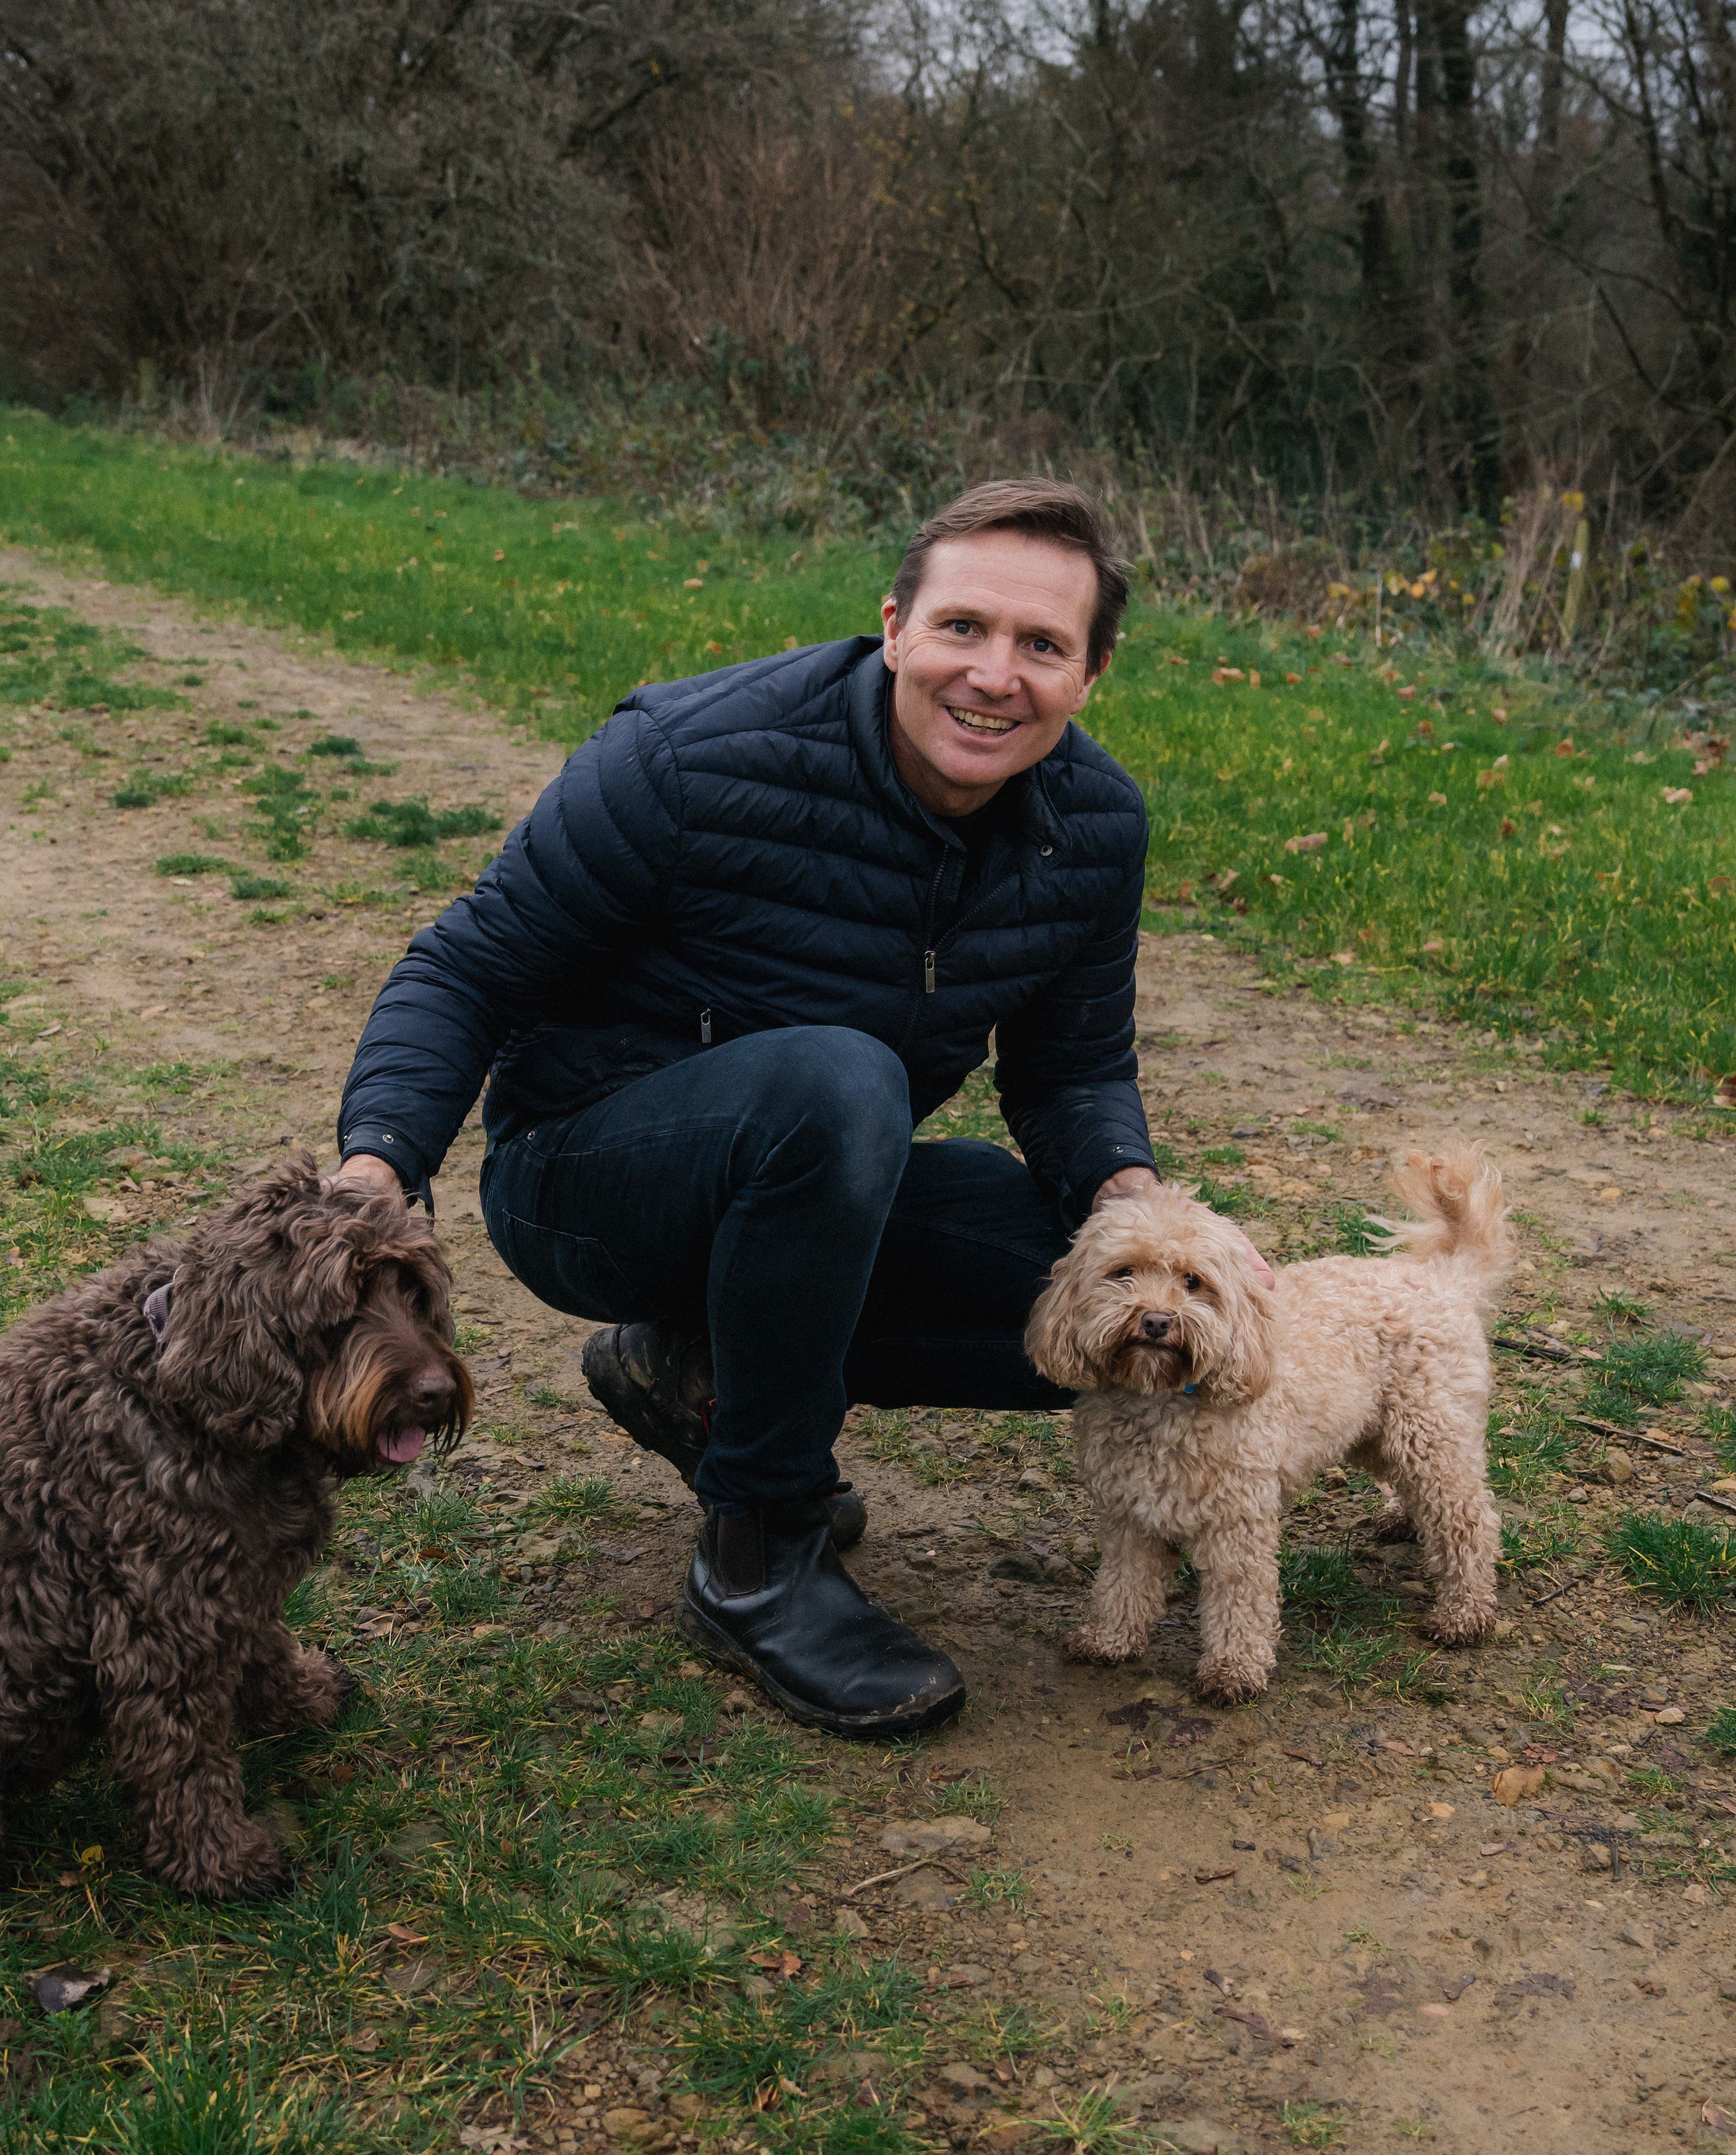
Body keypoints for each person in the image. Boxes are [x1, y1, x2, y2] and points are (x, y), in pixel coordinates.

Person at [328, 477, 1260, 1739]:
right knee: (840, 1081)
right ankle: (758, 1552)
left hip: (809, 1177)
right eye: (963, 628)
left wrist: (1134, 1210)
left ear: (1090, 675)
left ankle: (705, 1377)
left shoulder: (1090, 826)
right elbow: (467, 967)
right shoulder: (689, 755)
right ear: (894, 628)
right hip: (584, 1178)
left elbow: (1073, 1070)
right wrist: (379, 1171)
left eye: (1042, 646)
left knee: (1086, 1295)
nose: (994, 676)